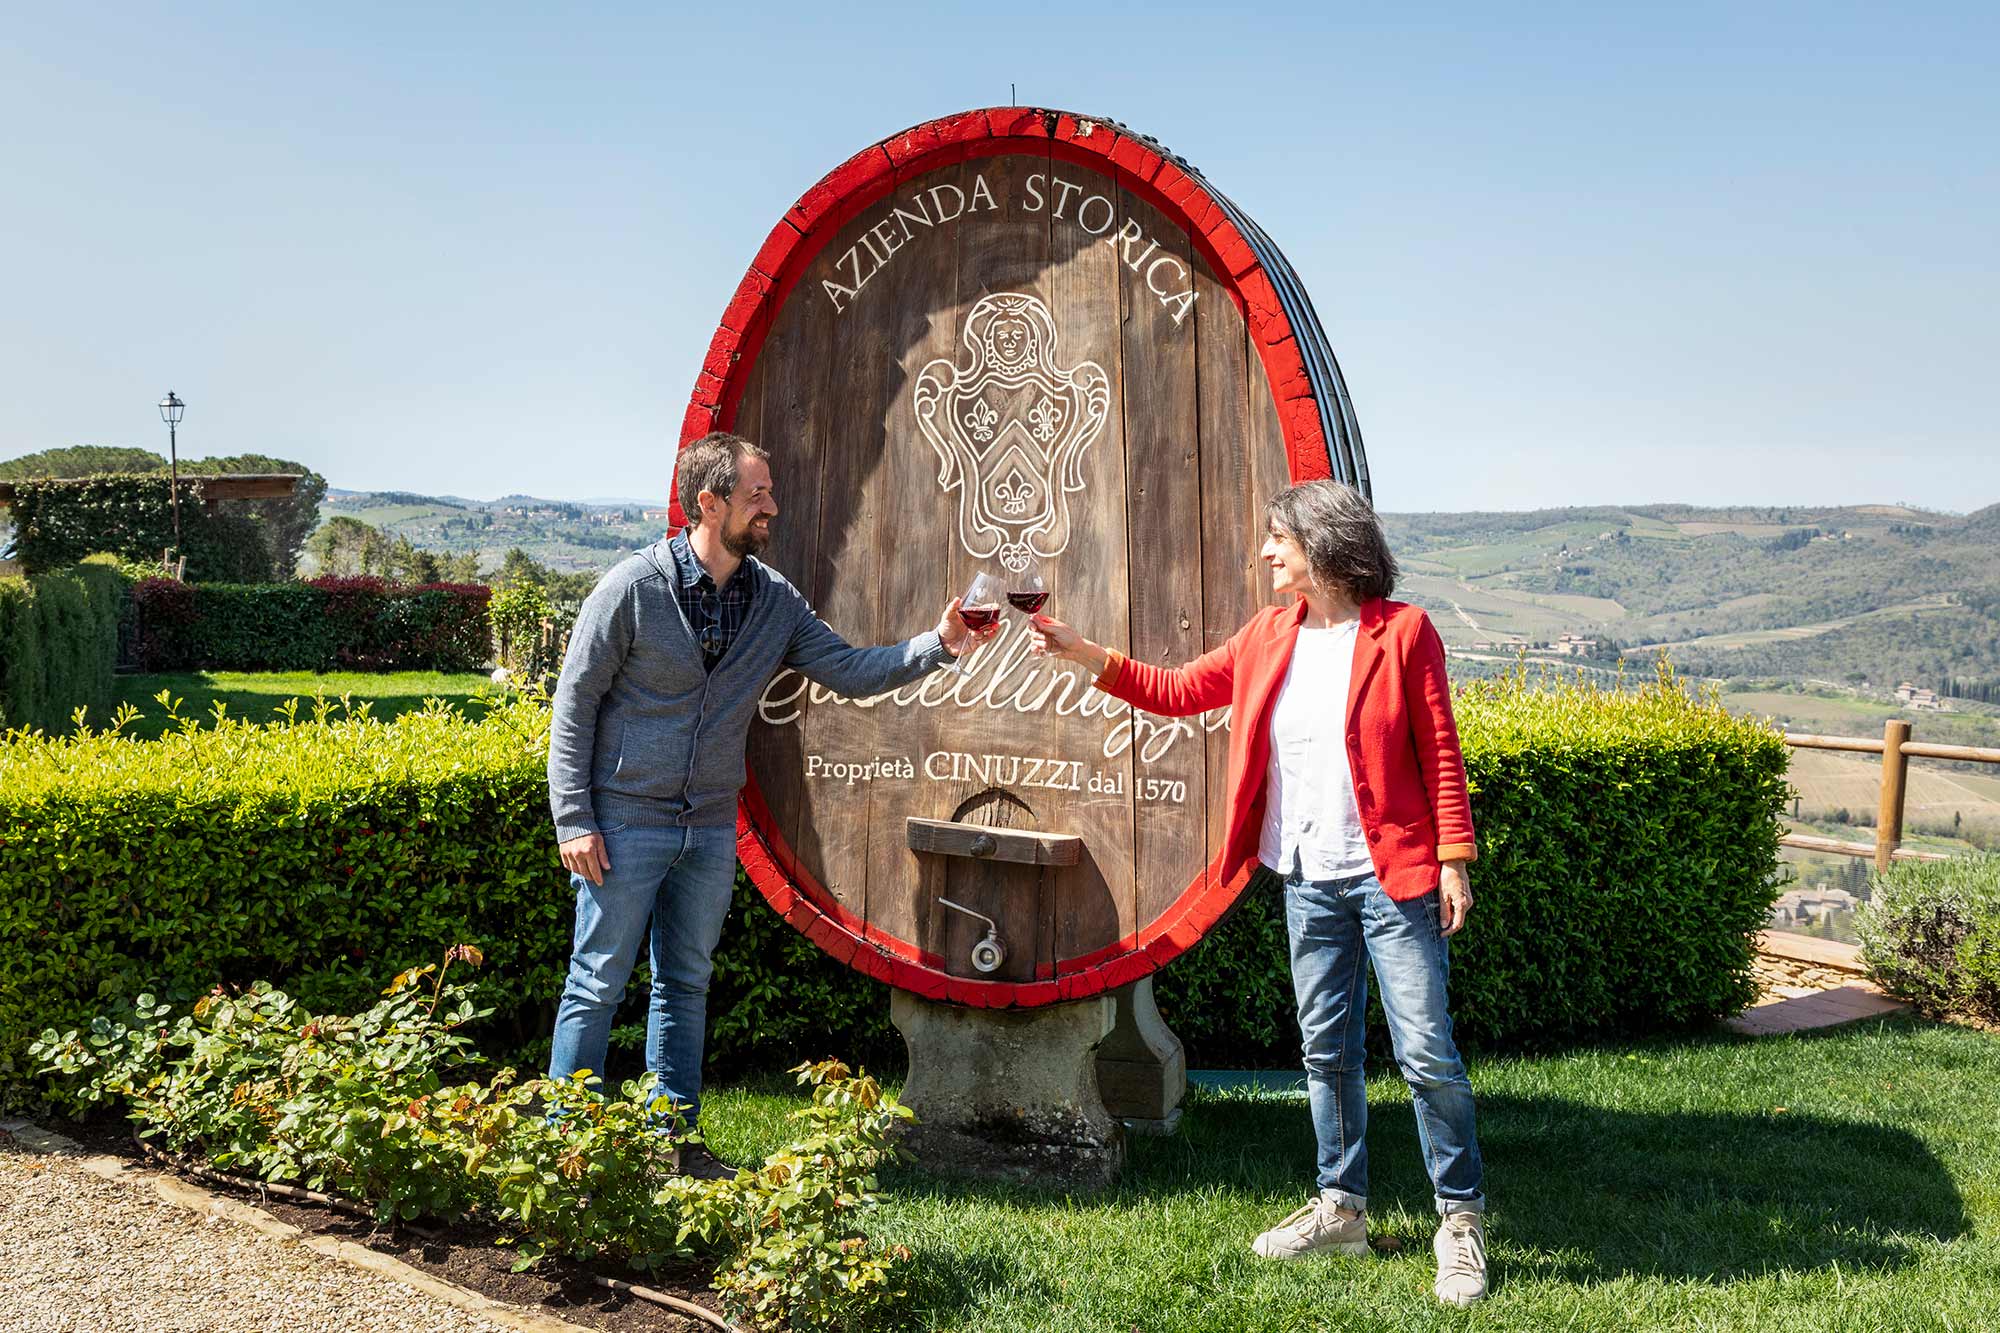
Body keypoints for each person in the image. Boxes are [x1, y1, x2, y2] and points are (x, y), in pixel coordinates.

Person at [1029, 479, 1489, 1306]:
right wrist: (1082, 651)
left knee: (1426, 1055)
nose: (1268, 551)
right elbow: (1175, 690)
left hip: (1393, 881)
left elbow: (1441, 749)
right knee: (1326, 1052)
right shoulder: (1268, 634)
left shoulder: (1404, 632)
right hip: (1307, 878)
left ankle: (1459, 1220)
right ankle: (1341, 1207)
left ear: (1323, 543)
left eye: (1280, 538)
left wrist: (1453, 858)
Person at [544, 431, 995, 1175]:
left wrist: (939, 644)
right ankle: (564, 1152)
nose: (772, 508)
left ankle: (674, 1146)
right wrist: (575, 819)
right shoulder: (630, 589)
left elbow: (849, 669)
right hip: (623, 822)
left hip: (707, 829)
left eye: (770, 493)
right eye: (757, 495)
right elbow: (574, 704)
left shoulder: (774, 600)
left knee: (685, 984)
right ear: (709, 503)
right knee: (596, 983)